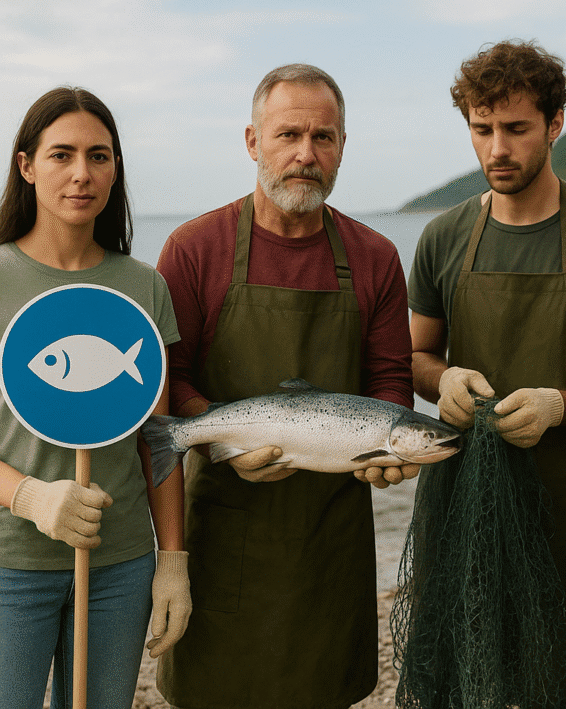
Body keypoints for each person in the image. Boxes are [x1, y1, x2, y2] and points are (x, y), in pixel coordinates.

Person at [155, 63, 414, 709]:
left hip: (331, 539)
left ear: (343, 148)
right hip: (223, 536)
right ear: (252, 142)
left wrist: (391, 446)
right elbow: (172, 381)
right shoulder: (193, 249)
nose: (306, 154)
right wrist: (223, 437)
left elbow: (389, 381)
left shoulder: (376, 256)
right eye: (288, 135)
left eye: (324, 138)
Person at [408, 39, 566, 705]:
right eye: (481, 130)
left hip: (563, 507)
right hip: (458, 498)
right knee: (459, 675)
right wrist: (443, 382)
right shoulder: (444, 236)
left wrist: (559, 406)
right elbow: (415, 356)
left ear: (555, 124)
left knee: (553, 679)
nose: (496, 149)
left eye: (515, 129)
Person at [0, 86, 191, 709]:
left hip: (120, 565)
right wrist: (29, 496)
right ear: (26, 166)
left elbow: (158, 442)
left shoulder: (143, 287)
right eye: (62, 155)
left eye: (99, 155)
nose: (82, 173)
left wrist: (173, 562)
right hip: (10, 564)